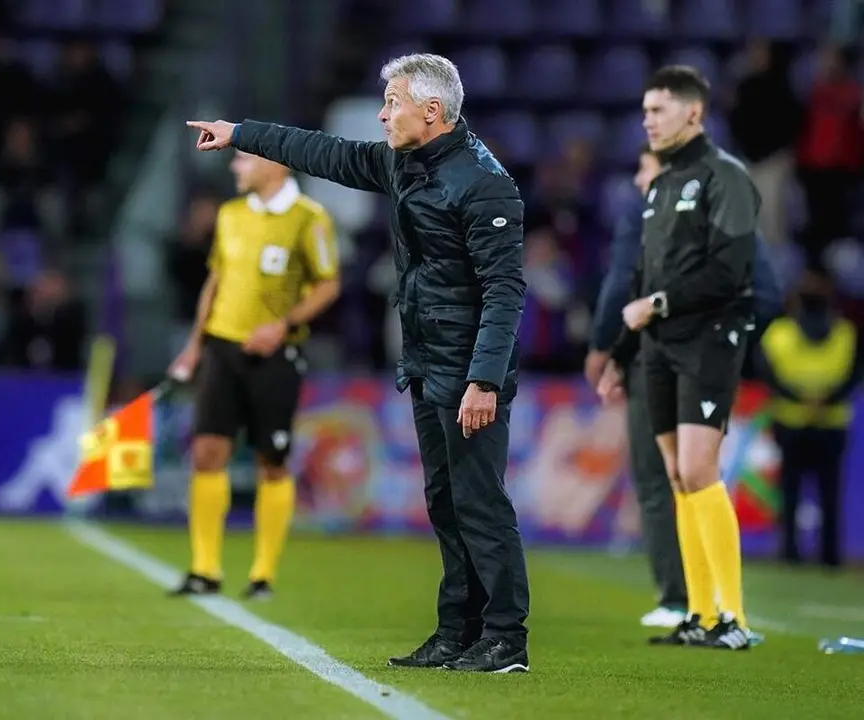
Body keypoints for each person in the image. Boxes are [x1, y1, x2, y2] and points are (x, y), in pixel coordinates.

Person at [187, 52, 531, 674]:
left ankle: (506, 637)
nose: (382, 113)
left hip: (468, 372)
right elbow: (324, 153)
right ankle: (457, 632)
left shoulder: (486, 184)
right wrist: (241, 133)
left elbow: (505, 290)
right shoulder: (406, 164)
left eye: (393, 102)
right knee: (447, 504)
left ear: (432, 111)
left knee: (480, 503)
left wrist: (483, 379)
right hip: (428, 362)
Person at [596, 66, 760, 650]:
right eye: (644, 111)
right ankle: (698, 611)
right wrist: (620, 352)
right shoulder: (662, 185)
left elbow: (730, 269)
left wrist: (659, 302)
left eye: (658, 110)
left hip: (710, 336)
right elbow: (645, 274)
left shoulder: (725, 177)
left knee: (697, 470)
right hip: (659, 344)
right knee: (675, 476)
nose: (647, 121)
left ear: (693, 113)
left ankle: (732, 618)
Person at [166, 150, 341, 600]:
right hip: (223, 347)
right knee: (207, 452)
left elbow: (328, 284)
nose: (234, 168)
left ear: (276, 165)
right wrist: (195, 344)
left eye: (243, 161)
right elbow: (215, 281)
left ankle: (263, 573)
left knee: (271, 461)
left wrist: (282, 325)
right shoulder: (230, 215)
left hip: (275, 354)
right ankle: (204, 569)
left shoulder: (309, 218)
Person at [757, 271, 862, 568]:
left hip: (791, 420)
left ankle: (790, 551)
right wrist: (827, 399)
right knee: (829, 492)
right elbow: (855, 374)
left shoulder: (779, 333)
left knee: (791, 490)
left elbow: (766, 372)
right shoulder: (845, 332)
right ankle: (830, 555)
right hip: (831, 421)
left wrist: (797, 398)